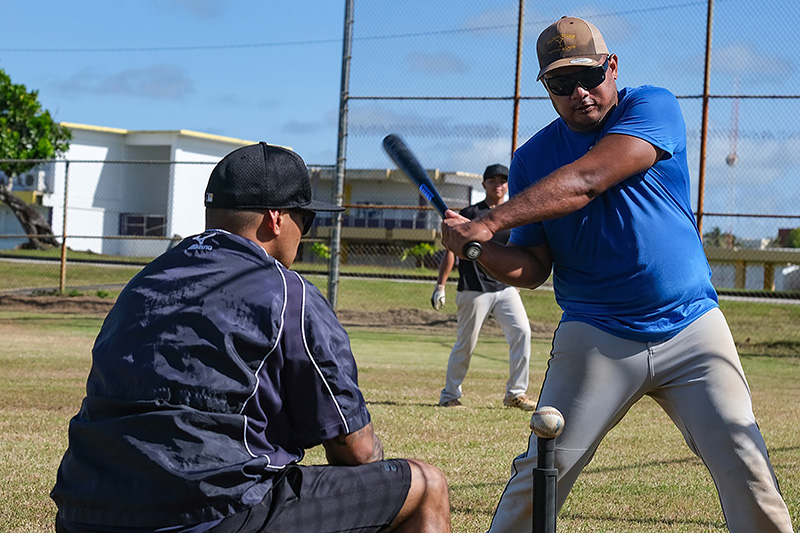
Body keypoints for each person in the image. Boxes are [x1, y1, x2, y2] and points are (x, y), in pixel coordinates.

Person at [441, 16, 793, 533]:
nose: (580, 93)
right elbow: (533, 268)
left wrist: (490, 219)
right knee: (542, 474)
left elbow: (589, 178)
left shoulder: (651, 105)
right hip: (596, 334)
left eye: (589, 76)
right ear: (546, 89)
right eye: (562, 84)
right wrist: (479, 247)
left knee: (747, 466)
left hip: (691, 328)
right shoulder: (531, 159)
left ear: (612, 66)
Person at [51, 143, 451, 533]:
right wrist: (383, 469)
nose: (304, 233)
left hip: (84, 510)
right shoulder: (289, 293)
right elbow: (357, 453)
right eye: (305, 219)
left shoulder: (145, 281)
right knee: (425, 486)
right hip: (206, 513)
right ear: (275, 219)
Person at [432, 163, 535, 411]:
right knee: (466, 343)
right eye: (493, 181)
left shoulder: (513, 213)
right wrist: (441, 285)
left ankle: (515, 394)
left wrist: (517, 281)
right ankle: (450, 395)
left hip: (505, 288)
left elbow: (517, 249)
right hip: (474, 288)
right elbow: (451, 252)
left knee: (522, 333)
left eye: (502, 180)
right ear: (484, 184)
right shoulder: (469, 213)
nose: (498, 185)